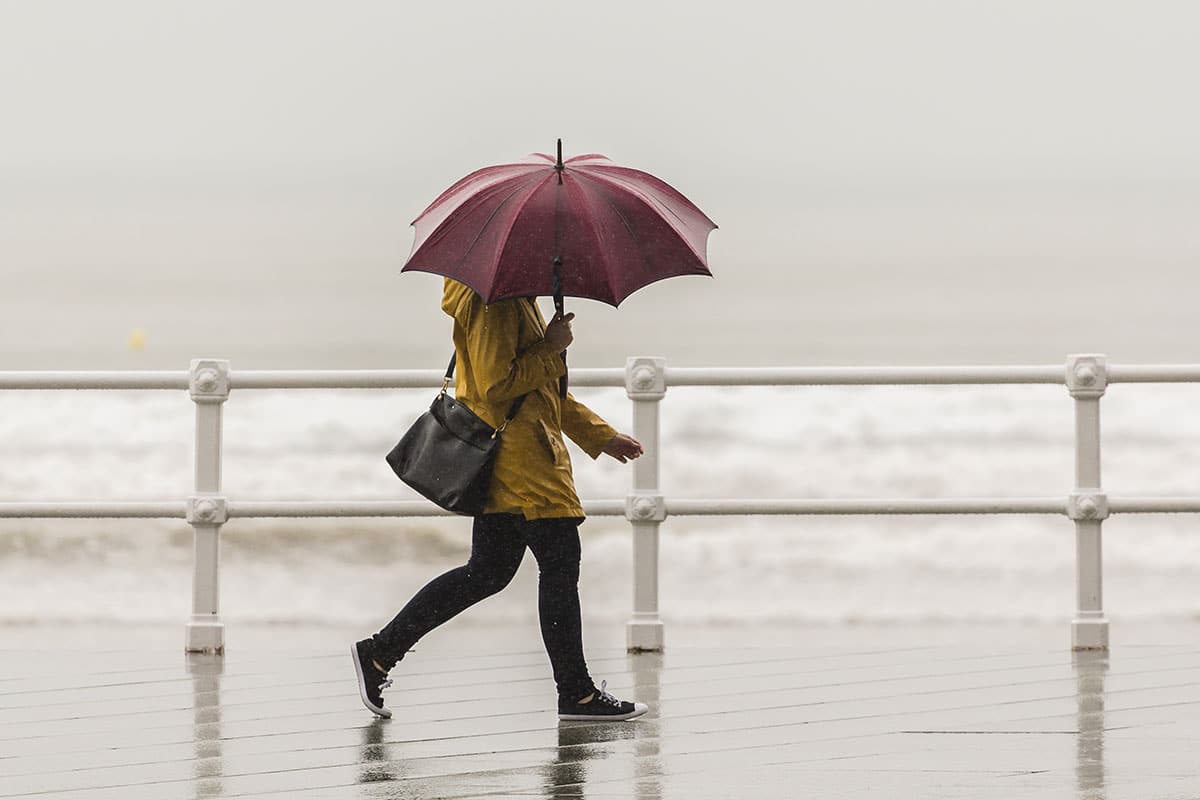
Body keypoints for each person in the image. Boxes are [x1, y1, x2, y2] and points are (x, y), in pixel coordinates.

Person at [352, 278, 649, 722]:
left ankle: (380, 653)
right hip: (522, 467)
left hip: (521, 462)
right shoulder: (495, 304)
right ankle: (576, 694)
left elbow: (544, 396)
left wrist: (600, 436)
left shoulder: (516, 299)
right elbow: (496, 386)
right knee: (559, 565)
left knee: (486, 573)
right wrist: (551, 347)